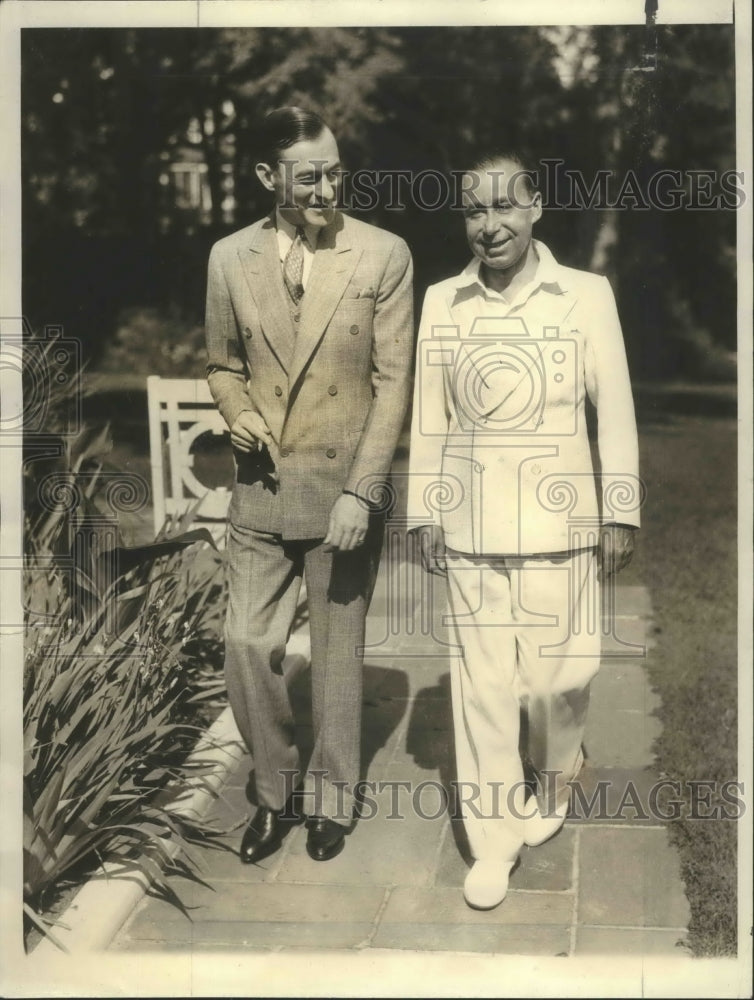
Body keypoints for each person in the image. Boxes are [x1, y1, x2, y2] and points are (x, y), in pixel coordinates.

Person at [407, 153, 640, 909]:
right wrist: (426, 510)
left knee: (557, 680)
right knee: (483, 693)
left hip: (563, 518)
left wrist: (621, 509)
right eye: (475, 210)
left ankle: (562, 763)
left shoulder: (585, 294)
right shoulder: (445, 300)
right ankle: (492, 842)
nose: (490, 224)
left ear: (535, 206)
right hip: (471, 523)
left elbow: (617, 410)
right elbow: (430, 416)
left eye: (505, 206)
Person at [205, 107, 413, 864]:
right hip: (260, 487)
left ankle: (330, 800)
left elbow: (393, 386)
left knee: (333, 654)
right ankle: (273, 791)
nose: (329, 185)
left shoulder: (383, 254)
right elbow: (222, 363)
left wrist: (364, 491)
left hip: (342, 493)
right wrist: (237, 411)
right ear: (268, 178)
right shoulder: (229, 257)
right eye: (309, 175)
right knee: (245, 642)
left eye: (335, 169)